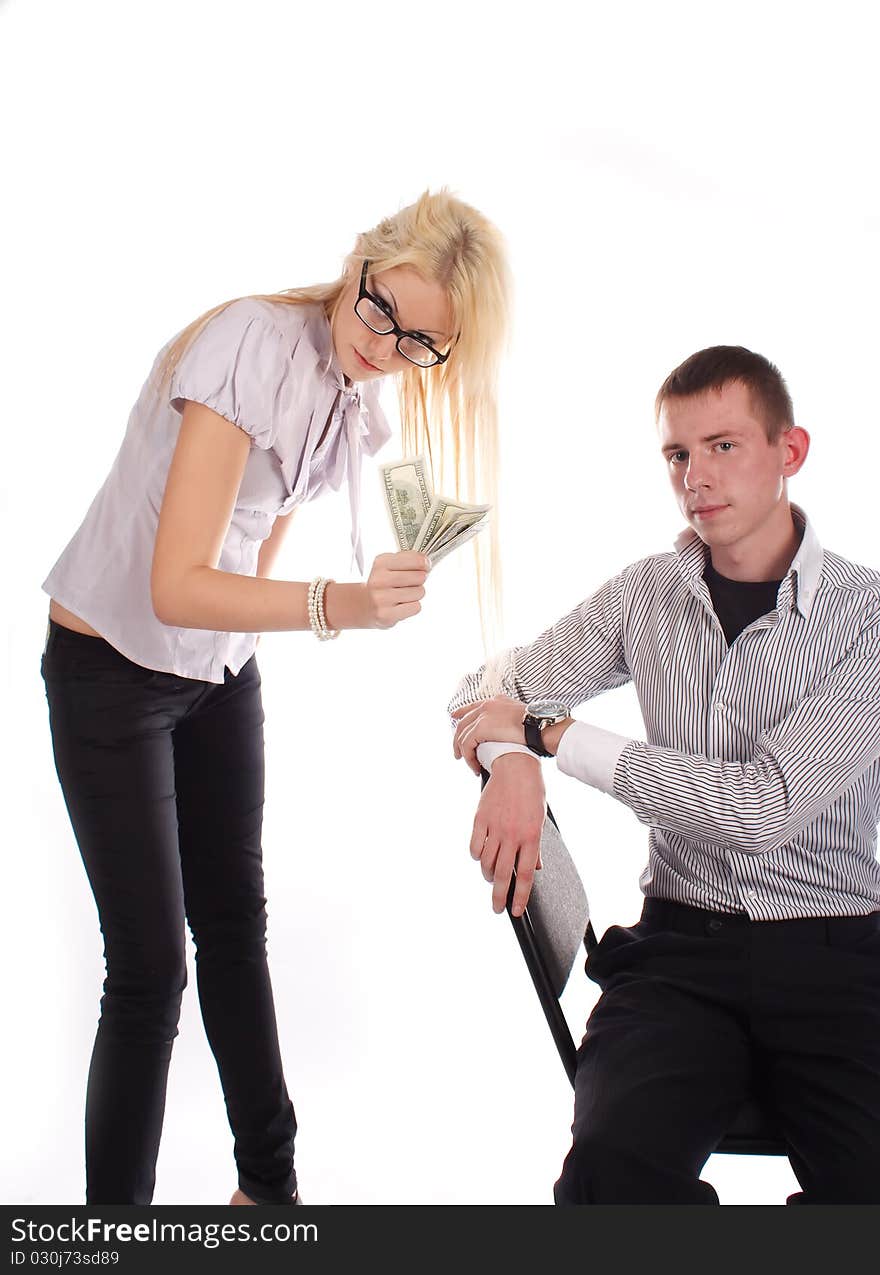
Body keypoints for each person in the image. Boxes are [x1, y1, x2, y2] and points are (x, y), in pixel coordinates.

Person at [40, 188, 511, 1206]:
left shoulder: (348, 397)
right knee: (149, 972)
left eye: (422, 342)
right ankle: (108, 1233)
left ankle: (271, 1192)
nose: (386, 343)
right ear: (358, 268)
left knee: (236, 925)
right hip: (110, 673)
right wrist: (341, 605)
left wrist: (334, 603)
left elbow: (249, 566)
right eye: (382, 309)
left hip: (210, 675)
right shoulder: (252, 344)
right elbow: (175, 582)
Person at [447, 346, 880, 1205]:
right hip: (680, 954)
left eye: (723, 446)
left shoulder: (866, 618)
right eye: (678, 455)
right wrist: (511, 760)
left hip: (841, 952)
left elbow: (764, 809)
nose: (696, 476)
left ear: (789, 452)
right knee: (609, 1182)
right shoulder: (648, 595)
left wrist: (551, 736)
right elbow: (479, 691)